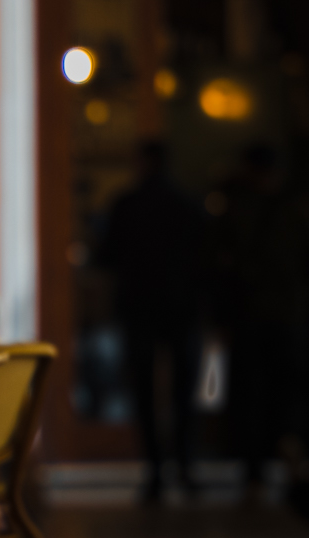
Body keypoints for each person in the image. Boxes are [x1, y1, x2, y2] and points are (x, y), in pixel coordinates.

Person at [96, 140, 209, 503]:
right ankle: (186, 467)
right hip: (182, 309)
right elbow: (206, 260)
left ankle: (156, 472)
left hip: (140, 308)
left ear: (143, 162)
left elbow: (106, 256)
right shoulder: (188, 205)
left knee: (144, 392)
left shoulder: (127, 205)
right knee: (183, 393)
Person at [214, 143, 309, 495]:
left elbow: (221, 268)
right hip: (283, 317)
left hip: (256, 317)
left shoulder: (239, 210)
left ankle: (258, 467)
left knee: (255, 394)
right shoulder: (291, 212)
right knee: (284, 394)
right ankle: (284, 458)